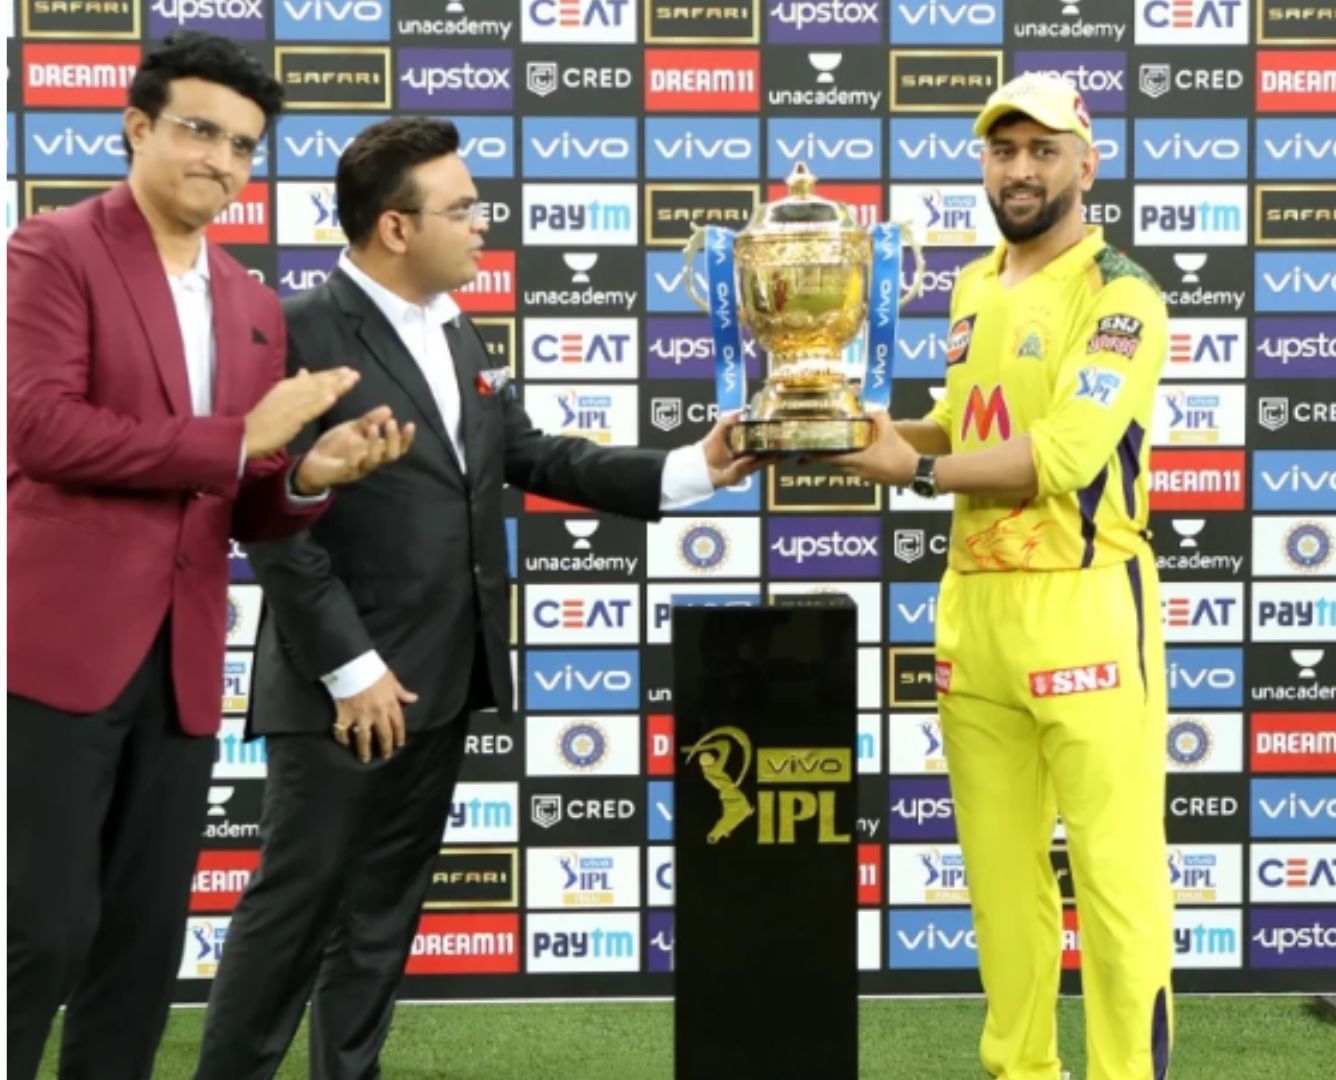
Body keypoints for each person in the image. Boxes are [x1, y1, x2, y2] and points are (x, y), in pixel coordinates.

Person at [193, 116, 766, 1080]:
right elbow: (268, 521)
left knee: (380, 921)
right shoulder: (295, 330)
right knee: (292, 917)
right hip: (341, 694)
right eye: (461, 209)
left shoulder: (457, 330)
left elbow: (536, 455)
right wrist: (351, 667)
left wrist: (692, 468)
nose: (482, 225)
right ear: (395, 229)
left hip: (443, 683)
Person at [6, 31, 411, 1080]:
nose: (223, 162)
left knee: (139, 951)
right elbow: (39, 428)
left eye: (244, 145)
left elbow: (243, 510)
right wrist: (242, 437)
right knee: (39, 934)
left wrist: (311, 474)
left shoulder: (250, 304)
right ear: (136, 127)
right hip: (55, 653)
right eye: (199, 131)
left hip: (183, 666)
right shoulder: (52, 250)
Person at [826, 72, 1174, 1080]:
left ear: (1085, 162)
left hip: (1086, 602)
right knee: (999, 880)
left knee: (1114, 882)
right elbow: (971, 425)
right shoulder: (976, 283)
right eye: (1003, 150)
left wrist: (918, 469)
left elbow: (1063, 454)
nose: (1021, 171)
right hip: (973, 609)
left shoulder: (1123, 294)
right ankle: (1020, 1070)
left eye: (1043, 150)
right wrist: (866, 434)